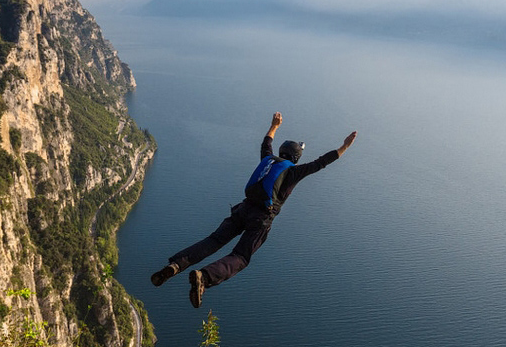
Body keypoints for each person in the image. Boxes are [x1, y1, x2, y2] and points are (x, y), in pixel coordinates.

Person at [150, 112, 357, 308]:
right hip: (260, 219)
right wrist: (345, 146)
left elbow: (266, 143)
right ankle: (203, 277)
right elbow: (321, 162)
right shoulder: (294, 172)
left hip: (243, 208)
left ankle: (176, 265)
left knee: (213, 241)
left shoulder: (267, 159)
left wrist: (274, 126)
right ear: (296, 158)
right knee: (241, 257)